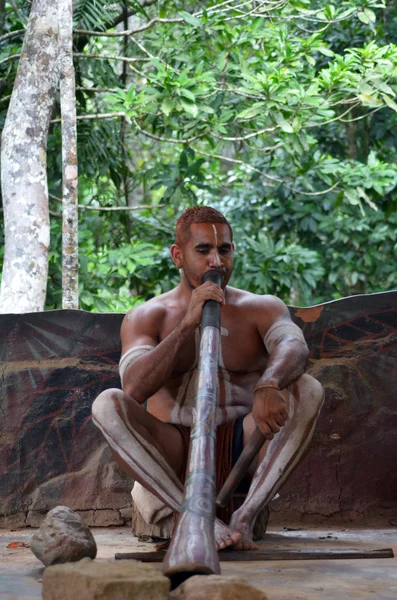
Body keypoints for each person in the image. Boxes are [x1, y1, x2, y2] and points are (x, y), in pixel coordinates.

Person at [92, 206, 324, 551]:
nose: (216, 261)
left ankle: (245, 515)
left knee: (308, 388)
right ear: (178, 256)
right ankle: (188, 515)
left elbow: (294, 345)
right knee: (106, 404)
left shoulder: (260, 307)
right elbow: (134, 388)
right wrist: (188, 324)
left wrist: (268, 383)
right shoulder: (147, 315)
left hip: (242, 448)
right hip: (173, 449)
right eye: (203, 250)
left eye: (225, 250)